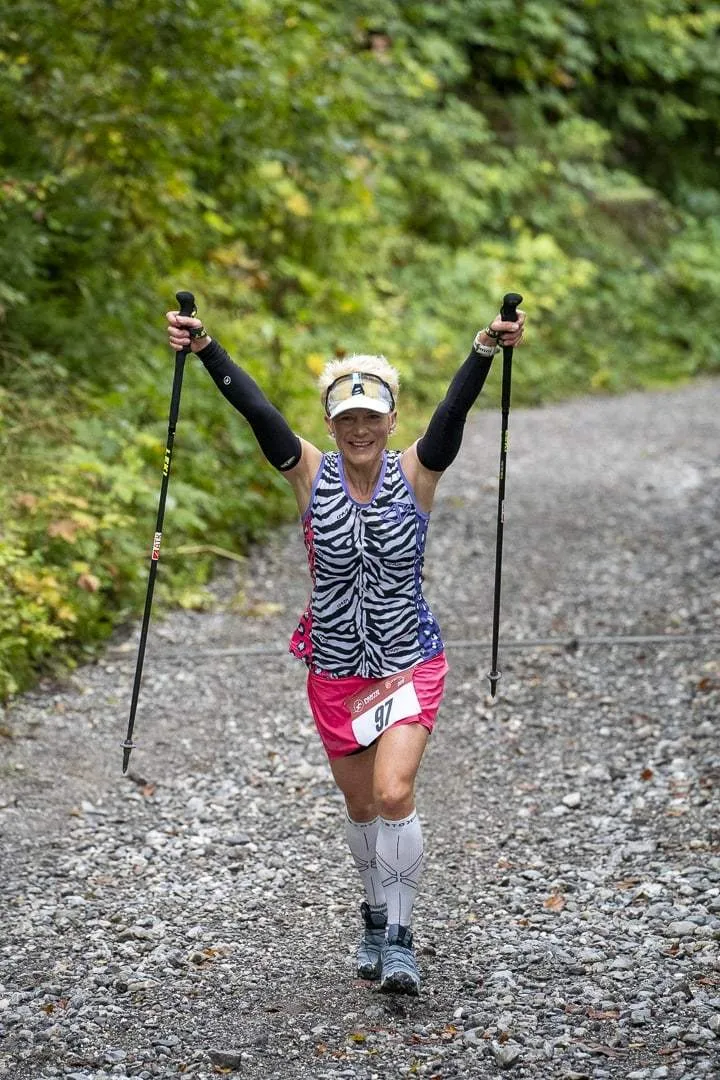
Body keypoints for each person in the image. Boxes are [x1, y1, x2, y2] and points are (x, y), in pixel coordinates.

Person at [166, 304, 525, 995]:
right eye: (346, 419)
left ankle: (400, 938)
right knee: (360, 807)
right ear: (331, 424)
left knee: (394, 792)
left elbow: (452, 416)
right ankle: (370, 914)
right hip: (335, 671)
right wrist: (206, 347)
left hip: (407, 662)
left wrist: (483, 347)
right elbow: (259, 413)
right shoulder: (308, 474)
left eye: (372, 417)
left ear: (390, 421)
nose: (359, 430)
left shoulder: (417, 473)